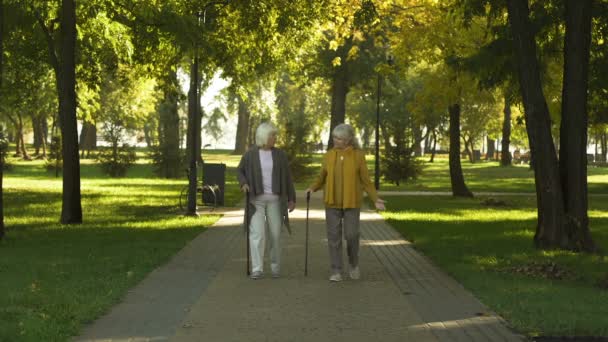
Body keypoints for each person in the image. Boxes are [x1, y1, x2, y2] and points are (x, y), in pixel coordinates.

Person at [306, 123, 385, 282]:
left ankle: (354, 263)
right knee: (333, 237)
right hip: (332, 202)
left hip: (352, 202)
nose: (336, 140)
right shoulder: (328, 155)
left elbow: (366, 181)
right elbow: (322, 176)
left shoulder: (358, 156)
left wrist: (375, 199)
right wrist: (312, 188)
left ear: (349, 139)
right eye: (335, 137)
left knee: (351, 235)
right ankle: (336, 270)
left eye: (340, 138)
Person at [237, 122, 296, 279]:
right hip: (256, 200)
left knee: (276, 234)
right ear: (264, 137)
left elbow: (288, 178)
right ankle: (257, 268)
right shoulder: (250, 155)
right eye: (272, 135)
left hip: (275, 201)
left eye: (275, 135)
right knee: (257, 234)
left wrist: (291, 198)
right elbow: (240, 170)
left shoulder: (280, 155)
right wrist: (243, 183)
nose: (275, 138)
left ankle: (275, 268)